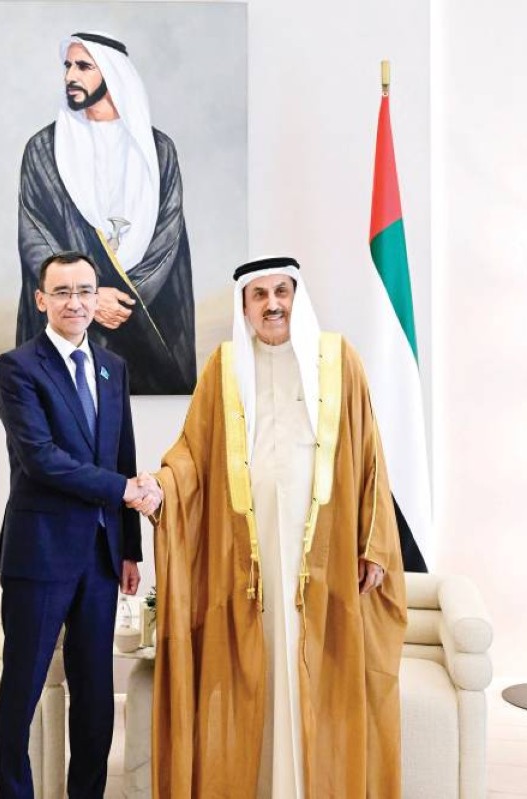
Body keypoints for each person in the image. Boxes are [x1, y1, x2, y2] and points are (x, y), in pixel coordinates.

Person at [132, 257, 408, 797]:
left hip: (322, 557)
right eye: (259, 295)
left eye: (282, 291)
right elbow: (192, 454)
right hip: (247, 563)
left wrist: (373, 544)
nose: (272, 304)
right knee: (254, 671)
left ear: (297, 296)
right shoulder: (223, 367)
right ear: (244, 306)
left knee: (317, 669)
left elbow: (370, 455)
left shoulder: (339, 360)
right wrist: (162, 488)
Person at [0, 250, 159, 798]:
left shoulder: (113, 368)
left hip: (101, 557)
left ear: (97, 297)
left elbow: (122, 454)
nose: (75, 302)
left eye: (84, 291)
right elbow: (41, 459)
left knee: (94, 697)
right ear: (42, 300)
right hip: (39, 554)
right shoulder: (17, 367)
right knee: (22, 691)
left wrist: (130, 548)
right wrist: (123, 490)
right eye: (62, 292)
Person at [16, 31, 196, 395]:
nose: (70, 75)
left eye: (83, 66)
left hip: (141, 314)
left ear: (114, 74)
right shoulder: (43, 149)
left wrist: (123, 300)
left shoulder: (159, 150)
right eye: (68, 66)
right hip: (66, 317)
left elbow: (167, 239)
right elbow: (35, 235)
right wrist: (90, 299)